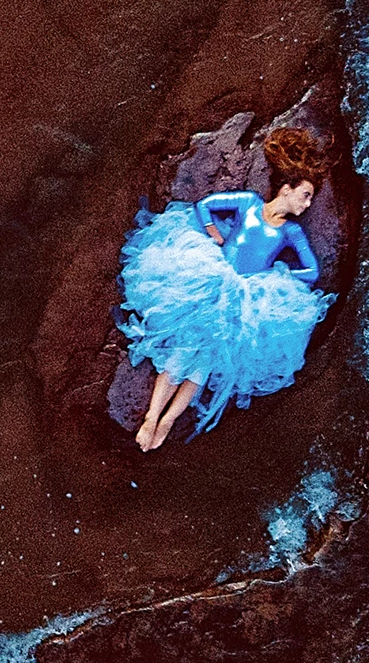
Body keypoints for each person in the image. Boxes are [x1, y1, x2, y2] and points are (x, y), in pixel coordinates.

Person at [120, 127, 332, 452]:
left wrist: (277, 273)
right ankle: (151, 416)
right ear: (286, 189)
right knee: (184, 348)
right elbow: (205, 205)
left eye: (311, 198)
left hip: (243, 297)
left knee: (205, 362)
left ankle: (168, 420)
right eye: (305, 194)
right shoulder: (250, 203)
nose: (307, 204)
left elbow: (312, 271)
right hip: (212, 278)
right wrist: (212, 232)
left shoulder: (290, 232)